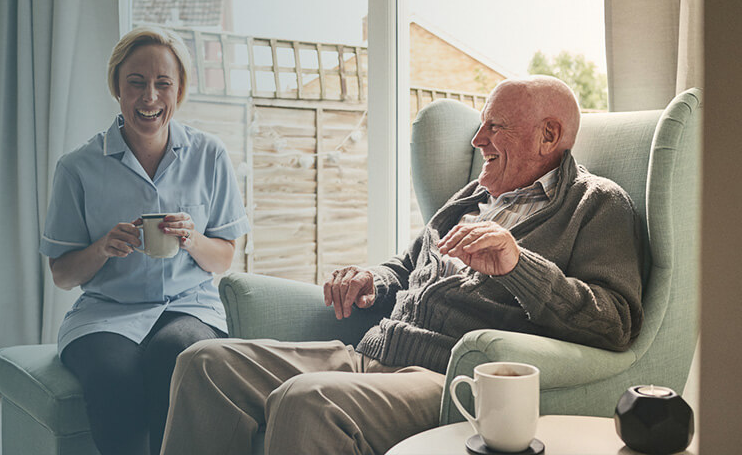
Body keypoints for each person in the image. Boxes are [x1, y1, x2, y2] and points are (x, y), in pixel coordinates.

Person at [160, 76, 645, 455]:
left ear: (549, 135)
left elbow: (616, 322)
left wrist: (517, 263)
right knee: (204, 363)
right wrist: (375, 279)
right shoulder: (472, 197)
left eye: (495, 126)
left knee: (307, 401)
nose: (478, 140)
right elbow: (410, 263)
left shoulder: (596, 204)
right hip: (372, 352)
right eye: (481, 125)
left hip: (446, 376)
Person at [41, 26, 250, 455]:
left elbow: (225, 257)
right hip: (105, 312)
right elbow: (62, 274)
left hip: (189, 305)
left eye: (162, 83)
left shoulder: (210, 155)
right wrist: (102, 248)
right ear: (117, 86)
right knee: (113, 376)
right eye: (136, 83)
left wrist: (191, 238)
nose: (149, 97)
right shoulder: (77, 167)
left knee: (178, 356)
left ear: (179, 90)